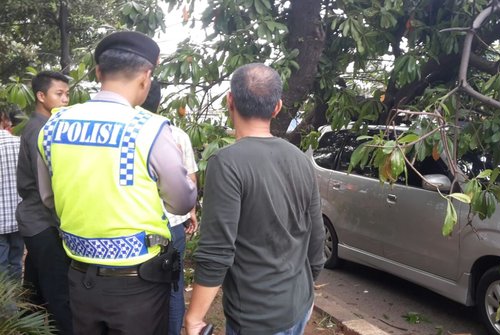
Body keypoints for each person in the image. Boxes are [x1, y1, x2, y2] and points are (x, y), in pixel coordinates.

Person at [36, 31, 197, 335]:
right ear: (146, 76)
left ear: (99, 72)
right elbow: (181, 201)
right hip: (139, 282)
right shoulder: (149, 129)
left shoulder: (54, 125)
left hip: (80, 274)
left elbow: (49, 198)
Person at [184, 63, 326, 335]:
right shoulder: (300, 159)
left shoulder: (226, 164)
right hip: (298, 304)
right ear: (277, 107)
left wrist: (194, 317)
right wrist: (303, 288)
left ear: (230, 101)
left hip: (256, 316)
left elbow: (217, 250)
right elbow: (316, 237)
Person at [16, 70, 73, 334]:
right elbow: (50, 185)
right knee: (59, 294)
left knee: (34, 292)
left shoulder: (39, 125)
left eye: (67, 94)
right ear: (41, 96)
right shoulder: (42, 129)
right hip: (43, 220)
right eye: (58, 94)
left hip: (34, 219)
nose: (65, 100)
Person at [140, 80, 199, 335]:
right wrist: (192, 212)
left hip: (137, 226)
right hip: (173, 223)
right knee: (174, 286)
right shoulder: (177, 134)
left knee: (140, 286)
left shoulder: (128, 133)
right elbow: (191, 181)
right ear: (159, 101)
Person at [0, 105, 22, 280]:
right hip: (18, 216)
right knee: (15, 262)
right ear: (4, 120)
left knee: (1, 266)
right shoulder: (19, 143)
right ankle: (17, 300)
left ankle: (7, 305)